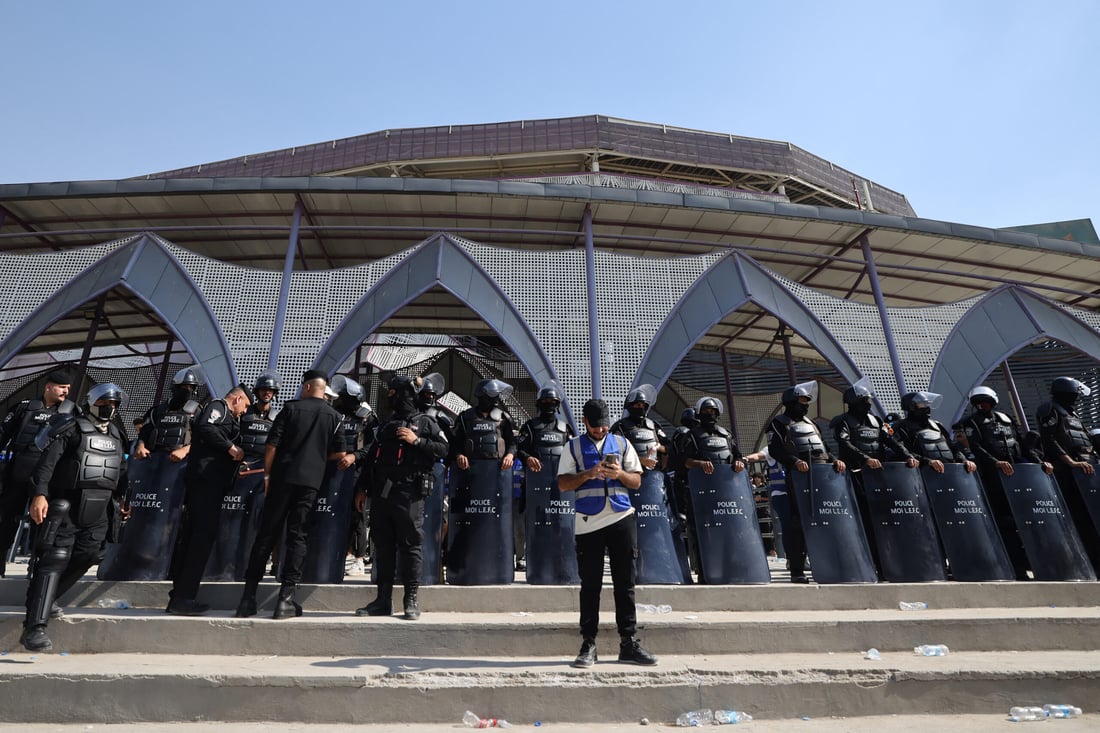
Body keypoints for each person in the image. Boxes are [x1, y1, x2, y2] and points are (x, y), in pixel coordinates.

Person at [20, 383, 128, 652]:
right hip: (67, 504)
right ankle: (34, 628)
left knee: (91, 554)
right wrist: (39, 495)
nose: (110, 408)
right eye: (105, 402)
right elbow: (47, 464)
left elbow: (120, 470)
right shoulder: (72, 428)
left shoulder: (115, 434)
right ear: (92, 402)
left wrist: (124, 499)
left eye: (114, 404)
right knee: (54, 560)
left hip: (100, 508)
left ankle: (47, 597)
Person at [235, 370, 346, 620]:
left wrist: (267, 475)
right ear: (323, 389)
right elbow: (340, 453)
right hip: (310, 483)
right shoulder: (335, 416)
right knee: (298, 538)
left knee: (266, 534)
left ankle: (248, 598)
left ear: (307, 387)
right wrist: (318, 458)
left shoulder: (291, 409)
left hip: (282, 478)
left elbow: (272, 444)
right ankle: (285, 600)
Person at [557, 398, 657, 668]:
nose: (600, 431)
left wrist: (619, 475)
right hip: (587, 522)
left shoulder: (623, 444)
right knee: (590, 586)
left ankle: (629, 642)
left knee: (625, 584)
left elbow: (636, 481)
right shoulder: (572, 447)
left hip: (621, 518)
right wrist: (588, 474)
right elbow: (563, 484)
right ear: (584, 422)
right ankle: (588, 643)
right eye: (595, 426)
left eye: (603, 426)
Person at [355, 375, 448, 620]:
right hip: (383, 493)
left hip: (410, 493)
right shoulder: (386, 425)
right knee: (383, 546)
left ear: (403, 393)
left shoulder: (426, 421)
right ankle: (382, 601)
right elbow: (371, 458)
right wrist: (362, 489)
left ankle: (411, 600)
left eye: (393, 392)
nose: (389, 396)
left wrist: (416, 440)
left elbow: (444, 449)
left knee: (410, 545)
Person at [165, 383, 253, 615]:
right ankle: (183, 598)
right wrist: (230, 447)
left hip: (212, 485)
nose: (244, 411)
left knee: (197, 540)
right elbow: (206, 427)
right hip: (205, 484)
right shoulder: (219, 407)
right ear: (237, 399)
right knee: (199, 540)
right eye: (245, 405)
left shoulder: (228, 415)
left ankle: (181, 595)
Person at [960, 385, 1051, 579]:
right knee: (1005, 523)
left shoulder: (1006, 419)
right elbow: (976, 447)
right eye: (979, 403)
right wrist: (996, 463)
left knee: (1030, 520)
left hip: (1019, 476)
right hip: (994, 479)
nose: (983, 406)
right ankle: (1016, 568)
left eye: (986, 402)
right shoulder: (971, 422)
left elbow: (1022, 445)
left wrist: (1039, 462)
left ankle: (1039, 564)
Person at [831, 380, 918, 576]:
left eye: (869, 400)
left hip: (880, 477)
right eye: (865, 400)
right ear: (854, 401)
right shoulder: (843, 422)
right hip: (856, 476)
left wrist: (907, 455)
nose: (869, 403)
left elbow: (890, 441)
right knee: (865, 520)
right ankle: (869, 563)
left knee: (887, 520)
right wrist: (866, 459)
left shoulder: (876, 421)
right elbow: (844, 444)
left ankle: (891, 563)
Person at [767, 381, 846, 584]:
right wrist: (794, 461)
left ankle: (828, 566)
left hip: (822, 477)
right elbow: (775, 449)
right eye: (802, 401)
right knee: (797, 525)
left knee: (825, 521)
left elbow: (824, 447)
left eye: (807, 402)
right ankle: (797, 571)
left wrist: (835, 461)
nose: (805, 405)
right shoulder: (779, 422)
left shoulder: (812, 424)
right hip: (797, 479)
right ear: (791, 402)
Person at [0, 369, 75, 572]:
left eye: (68, 388)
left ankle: (35, 569)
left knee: (41, 525)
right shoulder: (24, 408)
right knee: (5, 520)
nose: (65, 392)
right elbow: (3, 433)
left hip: (48, 479)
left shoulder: (71, 412)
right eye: (61, 387)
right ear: (48, 386)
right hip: (17, 473)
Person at [1036, 376, 1100, 567]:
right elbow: (1049, 439)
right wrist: (1071, 462)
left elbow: (1085, 440)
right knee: (1079, 517)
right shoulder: (1050, 410)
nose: (1076, 400)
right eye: (1073, 396)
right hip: (1067, 472)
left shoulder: (1073, 414)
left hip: (1087, 469)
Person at [893, 391, 977, 475]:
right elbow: (901, 451)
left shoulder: (937, 425)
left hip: (949, 473)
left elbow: (953, 448)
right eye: (923, 404)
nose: (927, 408)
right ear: (912, 407)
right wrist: (928, 461)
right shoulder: (901, 427)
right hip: (921, 475)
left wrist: (964, 460)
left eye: (927, 404)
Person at [133, 366, 202, 462]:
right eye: (184, 386)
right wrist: (140, 446)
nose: (188, 390)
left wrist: (184, 450)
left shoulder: (197, 411)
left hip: (181, 462)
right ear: (175, 387)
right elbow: (144, 433)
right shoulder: (156, 411)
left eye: (191, 387)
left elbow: (202, 439)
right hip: (154, 459)